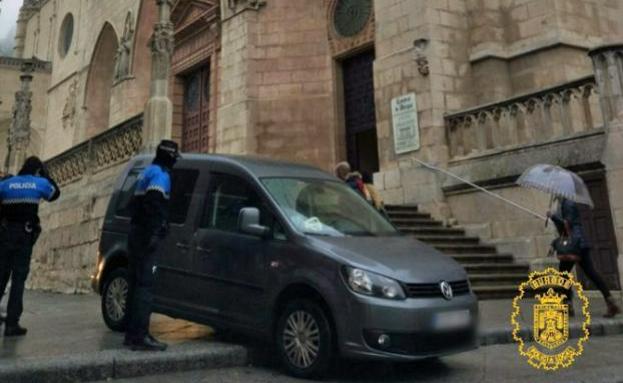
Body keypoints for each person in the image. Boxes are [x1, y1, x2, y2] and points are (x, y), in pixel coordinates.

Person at [124, 140, 180, 351]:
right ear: (170, 156)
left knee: (135, 283)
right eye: (174, 157)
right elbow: (153, 204)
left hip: (136, 233)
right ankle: (140, 335)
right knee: (145, 287)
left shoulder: (147, 171)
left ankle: (131, 334)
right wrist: (156, 231)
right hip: (146, 236)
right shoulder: (160, 175)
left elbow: (136, 203)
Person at [0, 157, 60, 336]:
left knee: (1, 276)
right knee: (19, 279)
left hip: (5, 234)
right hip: (24, 236)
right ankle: (12, 323)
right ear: (37, 170)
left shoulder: (7, 183)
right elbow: (55, 194)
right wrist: (46, 175)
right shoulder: (39, 183)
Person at [548, 197, 621, 318]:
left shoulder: (568, 204)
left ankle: (568, 305)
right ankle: (610, 302)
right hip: (579, 243)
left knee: (563, 275)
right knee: (589, 273)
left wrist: (553, 216)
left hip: (575, 245)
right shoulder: (565, 203)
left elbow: (567, 224)